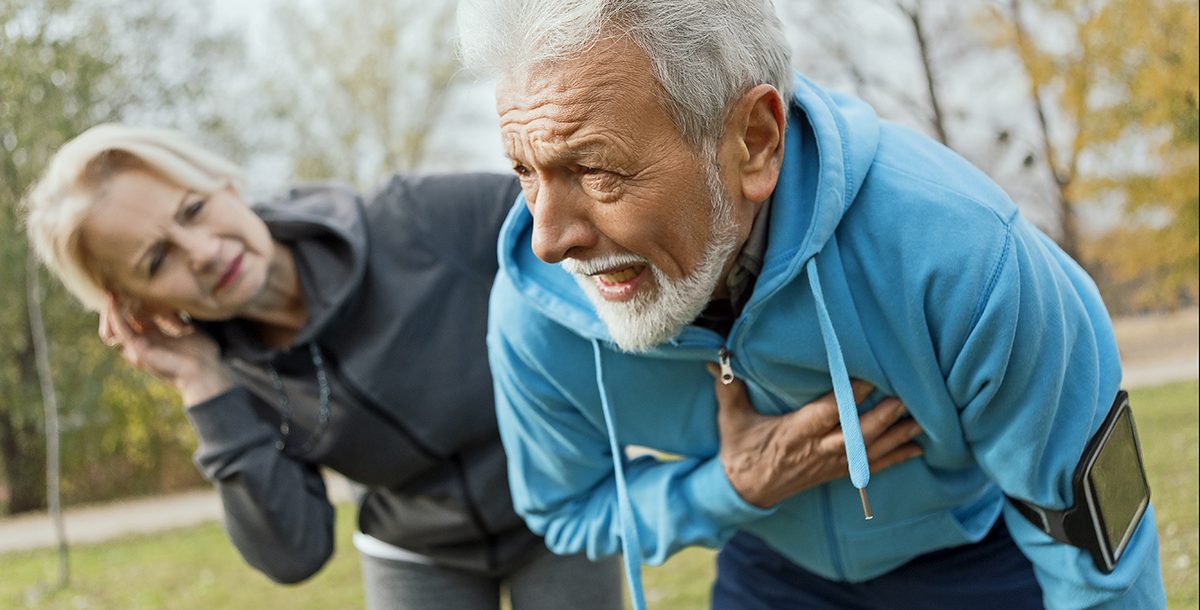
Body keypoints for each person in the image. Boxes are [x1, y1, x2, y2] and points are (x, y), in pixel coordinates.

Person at [456, 0, 1167, 608]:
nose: (547, 240)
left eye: (596, 170)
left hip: (980, 562)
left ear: (754, 140)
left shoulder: (965, 254)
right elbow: (566, 511)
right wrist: (731, 488)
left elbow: (1095, 539)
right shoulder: (534, 313)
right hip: (772, 574)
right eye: (524, 170)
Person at [22, 124, 625, 610]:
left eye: (194, 210)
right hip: (414, 552)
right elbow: (295, 554)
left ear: (225, 184)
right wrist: (203, 384)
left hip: (559, 509)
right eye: (157, 261)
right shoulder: (227, 373)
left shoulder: (416, 219)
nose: (204, 252)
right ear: (137, 307)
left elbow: (584, 232)